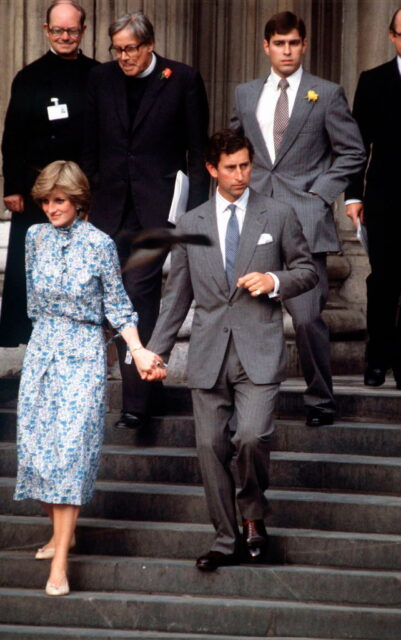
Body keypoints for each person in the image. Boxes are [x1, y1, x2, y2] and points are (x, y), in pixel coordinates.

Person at [146, 129, 317, 570]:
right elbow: (176, 296)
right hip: (207, 354)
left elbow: (307, 270)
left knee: (251, 436)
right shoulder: (190, 223)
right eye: (231, 167)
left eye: (246, 165)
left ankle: (254, 518)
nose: (241, 175)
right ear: (211, 169)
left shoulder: (276, 214)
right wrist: (155, 352)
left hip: (258, 349)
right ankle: (226, 539)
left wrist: (274, 281)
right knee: (209, 448)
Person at [14, 160, 163, 596]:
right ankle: (65, 532)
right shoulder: (34, 237)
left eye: (59, 200)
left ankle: (60, 562)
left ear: (79, 201)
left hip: (82, 353)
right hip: (43, 349)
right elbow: (32, 302)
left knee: (71, 454)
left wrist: (136, 351)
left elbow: (117, 306)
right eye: (45, 200)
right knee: (35, 452)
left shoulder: (99, 244)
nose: (49, 208)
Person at [230, 11, 366, 426]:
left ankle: (320, 400)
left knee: (307, 319)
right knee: (248, 316)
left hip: (307, 222)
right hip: (257, 219)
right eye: (279, 43)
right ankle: (247, 404)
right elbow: (237, 147)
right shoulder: (246, 93)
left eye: (293, 43)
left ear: (303, 45)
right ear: (266, 46)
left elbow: (353, 151)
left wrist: (320, 193)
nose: (286, 51)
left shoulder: (325, 93)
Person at [83, 11, 210, 430]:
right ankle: (129, 386)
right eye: (117, 50)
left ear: (149, 44)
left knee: (138, 292)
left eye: (131, 49)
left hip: (158, 210)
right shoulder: (100, 79)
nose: (123, 57)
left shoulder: (183, 79)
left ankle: (136, 402)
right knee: (104, 295)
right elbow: (91, 145)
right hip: (108, 207)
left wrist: (194, 215)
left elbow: (197, 153)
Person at [0, 0, 98, 349]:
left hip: (84, 191)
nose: (65, 36)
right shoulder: (29, 77)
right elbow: (12, 137)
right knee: (32, 269)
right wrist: (13, 187)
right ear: (46, 31)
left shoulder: (98, 74)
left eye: (72, 29)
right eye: (58, 30)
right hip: (37, 191)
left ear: (83, 31)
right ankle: (30, 340)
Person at [345, 7, 401, 389]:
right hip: (385, 198)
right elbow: (355, 146)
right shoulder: (373, 81)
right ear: (393, 36)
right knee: (383, 279)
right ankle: (378, 358)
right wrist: (352, 195)